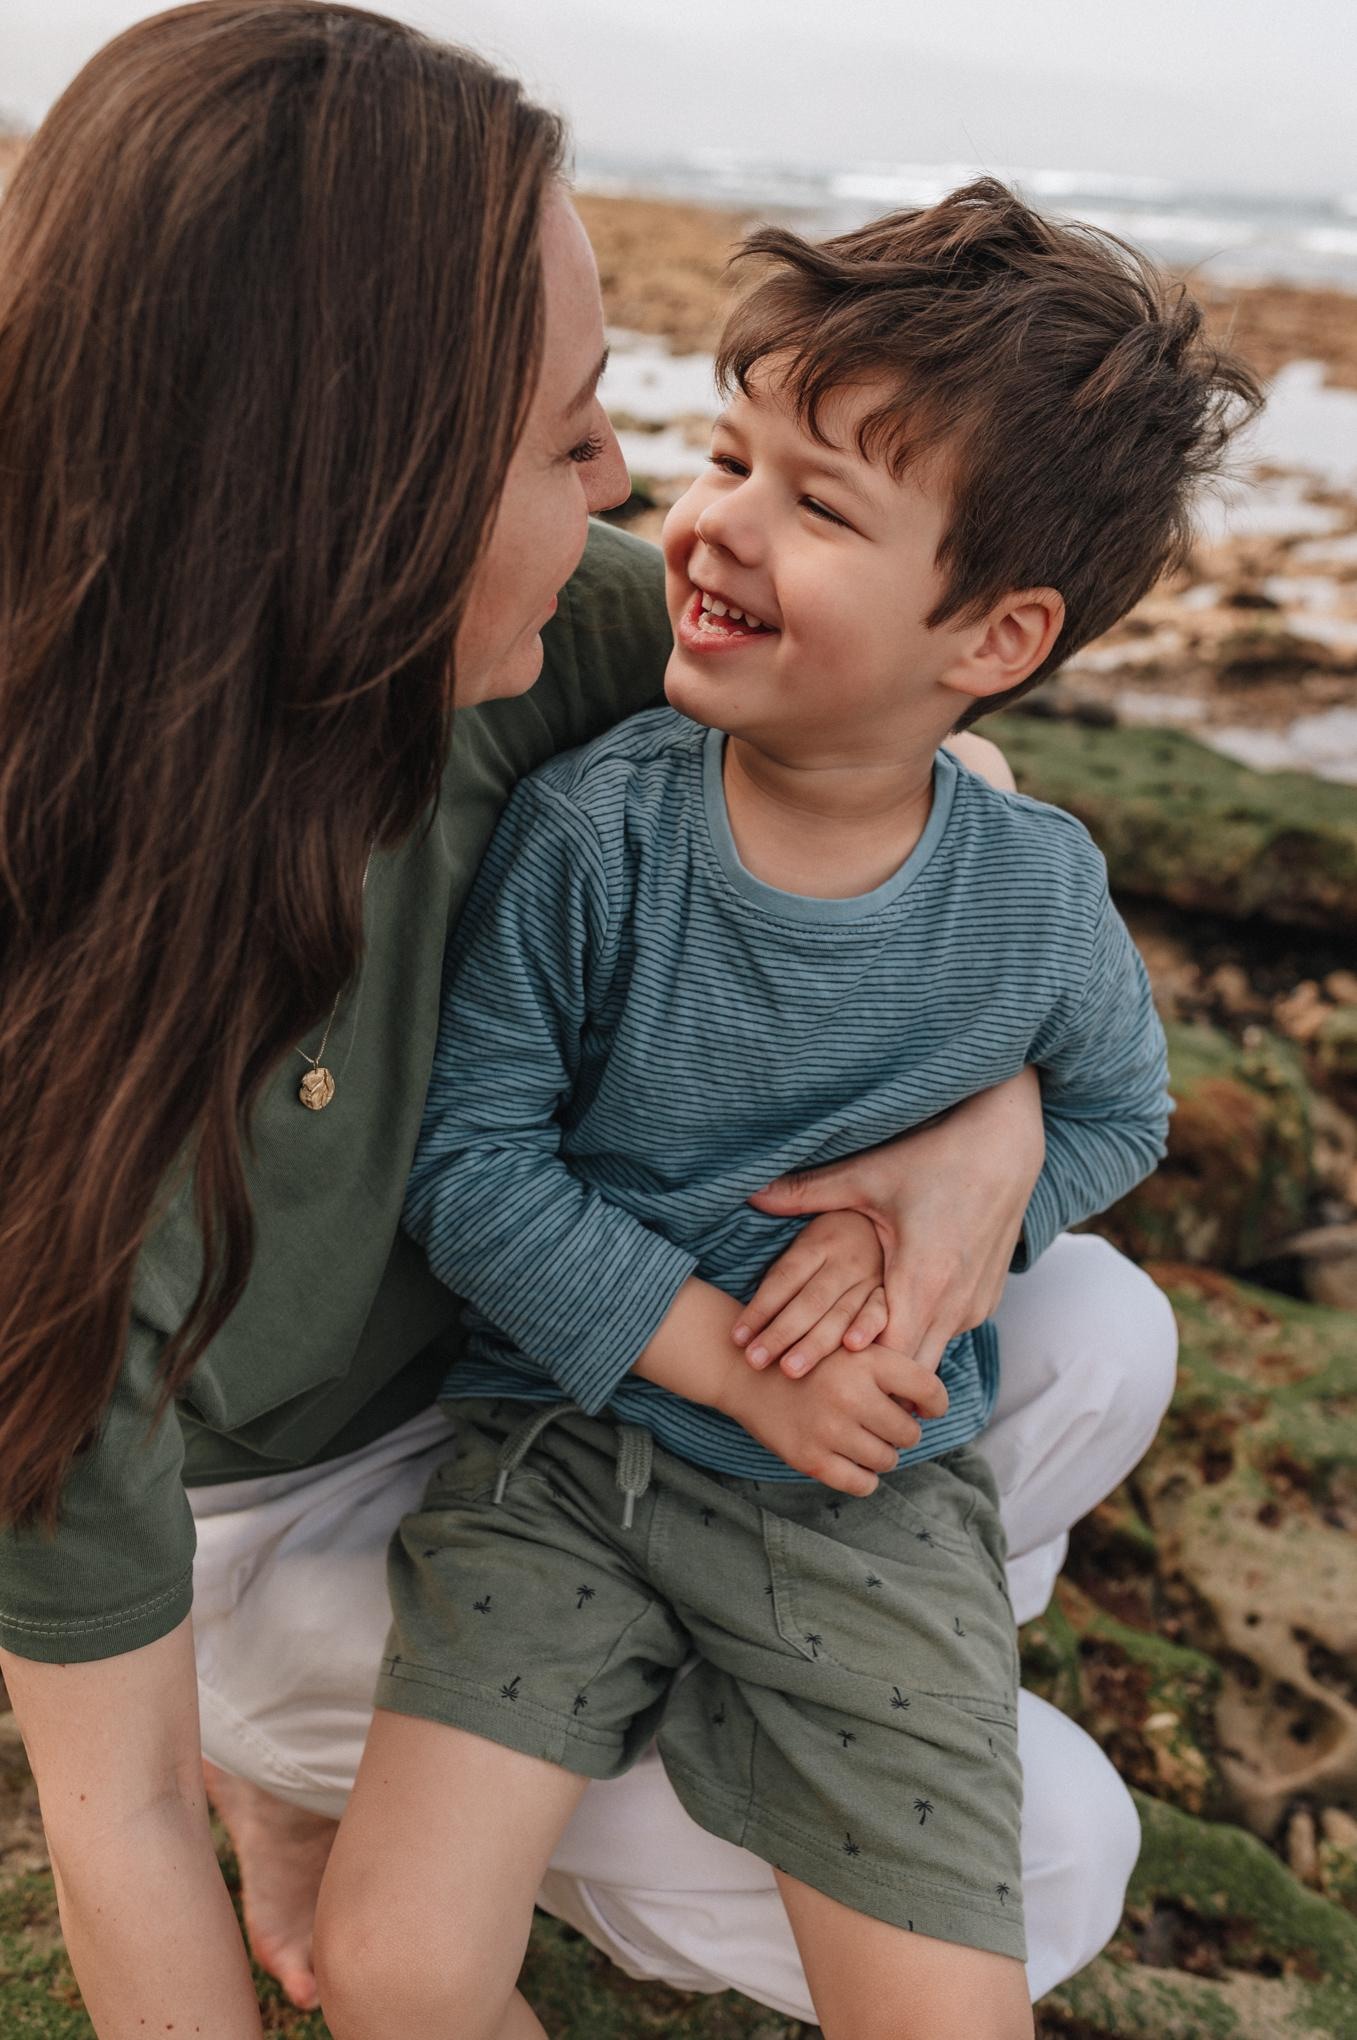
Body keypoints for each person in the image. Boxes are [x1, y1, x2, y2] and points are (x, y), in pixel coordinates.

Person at [0, 5, 1205, 2034]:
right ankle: (315, 1759)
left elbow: (936, 781)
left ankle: (809, 1659)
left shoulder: (544, 628)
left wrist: (985, 1137)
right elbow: (101, 1819)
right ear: (355, 493)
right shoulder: (55, 1063)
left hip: (591, 1351)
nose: (641, 491)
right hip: (286, 1520)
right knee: (1050, 1853)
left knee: (1100, 1330)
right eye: (572, 442)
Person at [310, 186, 1258, 2040]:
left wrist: (933, 1223)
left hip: (862, 1500)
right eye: (729, 454)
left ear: (995, 636)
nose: (713, 523)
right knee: (396, 1968)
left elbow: (1118, 1113)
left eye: (817, 505)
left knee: (948, 2004)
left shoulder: (1034, 892)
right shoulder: (595, 831)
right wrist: (728, 1364)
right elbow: (472, 1169)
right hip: (560, 1460)